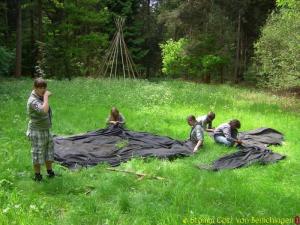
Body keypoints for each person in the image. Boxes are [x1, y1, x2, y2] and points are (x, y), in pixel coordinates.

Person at [27, 78, 55, 181]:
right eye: (40, 88)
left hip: (46, 129)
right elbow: (44, 110)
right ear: (35, 88)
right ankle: (37, 176)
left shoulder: (40, 97)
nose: (43, 90)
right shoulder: (32, 100)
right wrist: (46, 97)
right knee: (37, 153)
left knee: (49, 152)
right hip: (37, 131)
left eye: (44, 88)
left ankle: (50, 172)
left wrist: (44, 97)